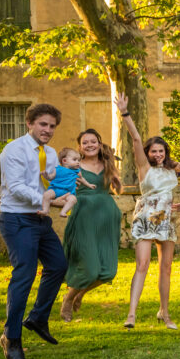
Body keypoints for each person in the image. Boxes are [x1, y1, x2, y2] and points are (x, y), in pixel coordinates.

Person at [0, 103, 68, 359]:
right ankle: (11, 337)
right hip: (16, 219)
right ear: (30, 123)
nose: (47, 130)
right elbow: (15, 188)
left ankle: (37, 318)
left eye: (51, 126)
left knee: (59, 266)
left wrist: (65, 195)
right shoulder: (13, 150)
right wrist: (47, 202)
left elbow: (49, 185)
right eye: (43, 124)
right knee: (24, 275)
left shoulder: (49, 154)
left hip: (40, 219)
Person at [115, 95, 180, 330]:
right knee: (142, 264)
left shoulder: (174, 168)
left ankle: (165, 313)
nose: (158, 154)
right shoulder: (144, 167)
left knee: (166, 267)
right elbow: (136, 138)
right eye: (154, 151)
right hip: (147, 217)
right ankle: (131, 314)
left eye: (161, 151)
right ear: (147, 153)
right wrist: (125, 114)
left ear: (166, 152)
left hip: (167, 218)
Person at [60, 128, 123, 322]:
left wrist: (116, 181)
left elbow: (117, 188)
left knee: (108, 271)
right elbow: (60, 189)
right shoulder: (73, 167)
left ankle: (80, 294)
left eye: (93, 141)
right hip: (84, 218)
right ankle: (68, 299)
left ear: (99, 143)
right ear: (79, 147)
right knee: (90, 268)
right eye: (85, 142)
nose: (89, 145)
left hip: (107, 218)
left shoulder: (107, 164)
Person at [41, 147, 96, 217]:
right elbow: (51, 177)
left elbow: (82, 179)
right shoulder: (58, 169)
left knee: (73, 199)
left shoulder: (77, 171)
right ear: (64, 161)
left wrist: (89, 185)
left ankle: (63, 212)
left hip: (68, 193)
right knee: (46, 194)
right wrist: (46, 175)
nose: (78, 162)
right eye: (74, 160)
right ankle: (45, 210)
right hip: (56, 189)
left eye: (79, 160)